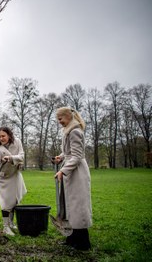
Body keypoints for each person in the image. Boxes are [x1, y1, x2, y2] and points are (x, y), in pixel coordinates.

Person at [53, 107, 92, 251]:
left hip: (77, 173)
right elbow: (68, 152)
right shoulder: (69, 131)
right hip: (71, 170)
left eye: (60, 119)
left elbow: (77, 156)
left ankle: (83, 242)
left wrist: (63, 170)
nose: (59, 122)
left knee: (78, 205)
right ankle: (72, 237)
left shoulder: (75, 131)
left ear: (68, 116)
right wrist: (61, 157)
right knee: (70, 205)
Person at [0, 126, 27, 236]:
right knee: (5, 202)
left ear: (9, 135)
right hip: (3, 178)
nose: (1, 138)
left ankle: (11, 223)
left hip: (15, 175)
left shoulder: (17, 142)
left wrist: (10, 158)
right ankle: (5, 227)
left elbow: (21, 156)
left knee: (15, 200)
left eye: (3, 136)